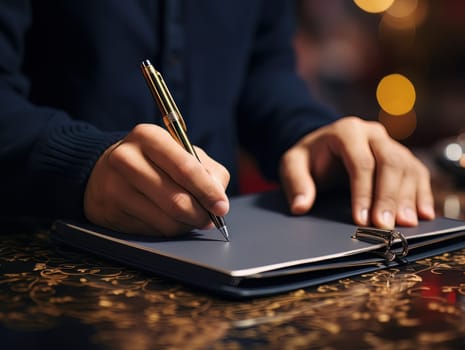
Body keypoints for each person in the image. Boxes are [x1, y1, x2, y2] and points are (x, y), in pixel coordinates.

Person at [0, 0, 435, 237]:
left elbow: (262, 69)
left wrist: (312, 133)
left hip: (219, 272)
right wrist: (82, 165)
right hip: (41, 253)